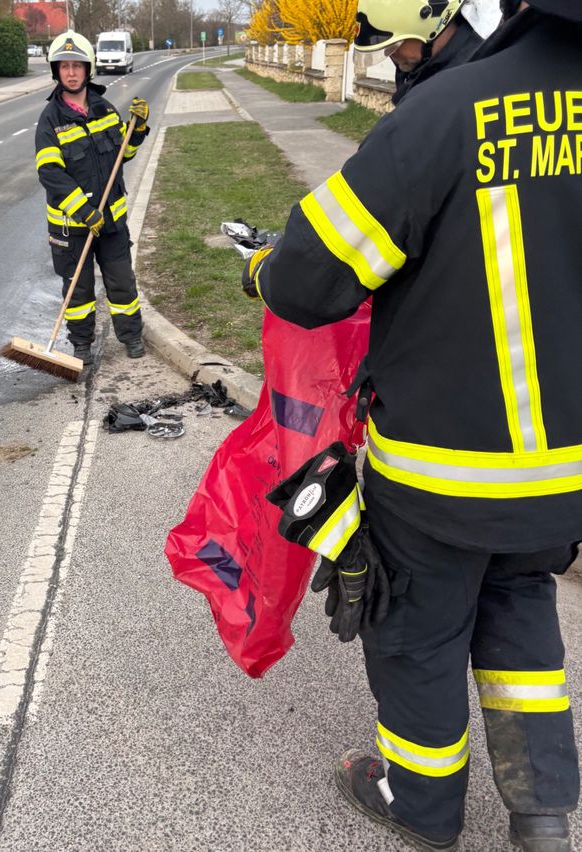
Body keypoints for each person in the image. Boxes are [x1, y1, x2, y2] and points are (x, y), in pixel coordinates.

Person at [244, 1, 582, 849]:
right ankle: (540, 809)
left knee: (417, 635)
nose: (393, 59)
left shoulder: (451, 112)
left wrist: (262, 266)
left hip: (442, 474)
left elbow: (309, 280)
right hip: (565, 477)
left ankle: (420, 807)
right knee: (518, 608)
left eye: (395, 43)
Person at [34, 30, 149, 365]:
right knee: (79, 293)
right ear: (56, 71)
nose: (71, 72)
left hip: (111, 223)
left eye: (77, 66)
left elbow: (122, 156)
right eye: (64, 66)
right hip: (73, 229)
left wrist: (137, 129)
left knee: (123, 285)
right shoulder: (50, 122)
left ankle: (130, 336)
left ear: (88, 69)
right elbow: (51, 175)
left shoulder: (105, 109)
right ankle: (81, 345)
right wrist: (85, 211)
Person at [355, 0, 485, 105]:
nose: (390, 55)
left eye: (393, 46)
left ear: (430, 22)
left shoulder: (474, 87)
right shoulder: (419, 77)